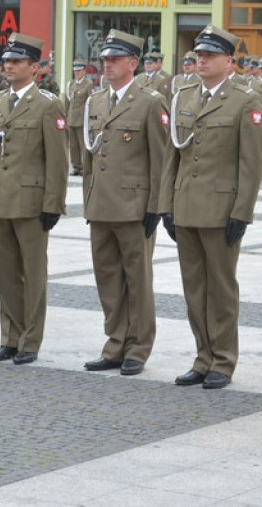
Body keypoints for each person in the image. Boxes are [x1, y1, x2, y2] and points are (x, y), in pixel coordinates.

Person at [159, 24, 262, 389]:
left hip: (221, 211)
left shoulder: (244, 100)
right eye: (198, 55)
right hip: (187, 206)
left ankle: (223, 360)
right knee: (194, 289)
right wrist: (167, 206)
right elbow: (173, 156)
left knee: (220, 289)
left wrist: (241, 212)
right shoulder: (185, 97)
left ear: (229, 61)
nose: (200, 60)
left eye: (208, 55)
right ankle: (202, 356)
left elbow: (251, 164)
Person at [81, 30, 168, 376]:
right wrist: (88, 198)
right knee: (107, 277)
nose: (108, 64)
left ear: (133, 63)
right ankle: (115, 341)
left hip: (134, 206)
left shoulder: (149, 101)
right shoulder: (96, 101)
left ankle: (138, 347)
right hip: (102, 204)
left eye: (115, 59)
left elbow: (160, 159)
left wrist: (155, 207)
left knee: (137, 279)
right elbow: (89, 156)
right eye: (105, 59)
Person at [0, 33, 68, 365]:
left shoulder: (48, 104)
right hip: (1, 199)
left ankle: (30, 340)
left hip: (31, 202)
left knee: (32, 275)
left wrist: (52, 204)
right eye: (6, 61)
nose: (9, 66)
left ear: (34, 67)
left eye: (16, 61)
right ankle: (9, 337)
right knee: (5, 274)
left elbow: (58, 161)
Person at [65, 60, 95, 176]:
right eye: (75, 71)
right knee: (73, 146)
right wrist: (65, 117)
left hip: (82, 119)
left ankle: (85, 167)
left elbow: (91, 102)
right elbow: (67, 102)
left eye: (79, 71)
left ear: (84, 71)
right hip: (71, 119)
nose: (76, 73)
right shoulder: (71, 84)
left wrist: (90, 119)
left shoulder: (88, 84)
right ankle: (76, 167)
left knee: (83, 144)